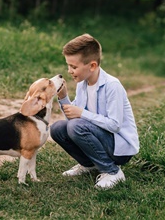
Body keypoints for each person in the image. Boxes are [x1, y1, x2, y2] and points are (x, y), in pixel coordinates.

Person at [50, 33, 139, 189]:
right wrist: (63, 98)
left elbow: (114, 125)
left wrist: (82, 113)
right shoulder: (82, 84)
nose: (69, 71)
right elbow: (73, 118)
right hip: (101, 137)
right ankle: (89, 164)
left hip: (119, 147)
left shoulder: (112, 86)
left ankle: (113, 172)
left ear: (92, 66)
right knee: (57, 128)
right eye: (68, 65)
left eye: (74, 66)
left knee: (76, 126)